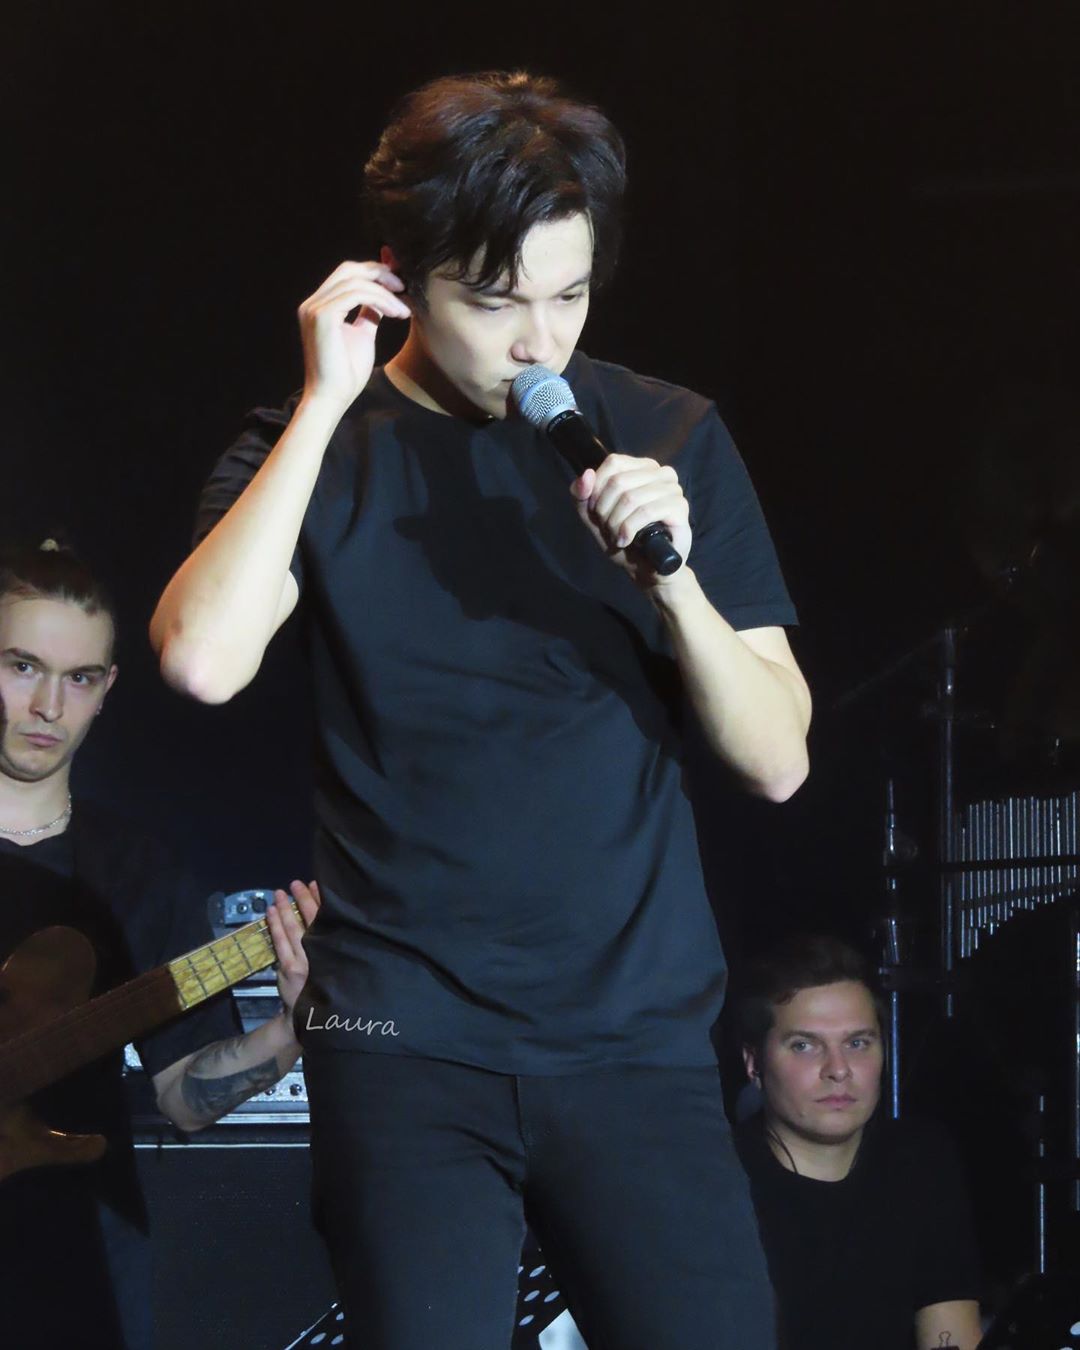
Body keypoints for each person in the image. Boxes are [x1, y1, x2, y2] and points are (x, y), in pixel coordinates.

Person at [151, 70, 811, 1350]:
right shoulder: (314, 446)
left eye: (568, 297)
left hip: (632, 1037)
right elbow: (200, 662)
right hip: (403, 1039)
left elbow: (778, 759)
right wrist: (325, 401)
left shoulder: (664, 435)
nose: (536, 344)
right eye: (495, 301)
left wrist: (674, 587)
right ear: (399, 277)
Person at [0, 540, 319, 1350]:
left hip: (78, 1274)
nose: (48, 706)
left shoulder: (136, 871)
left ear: (106, 690)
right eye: (23, 667)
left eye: (79, 679)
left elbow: (184, 1095)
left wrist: (291, 1029)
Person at [734, 935, 983, 1350]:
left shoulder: (919, 1160)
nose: (838, 1070)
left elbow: (952, 1333)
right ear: (754, 1063)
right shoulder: (717, 1178)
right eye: (804, 1045)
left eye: (857, 1043)